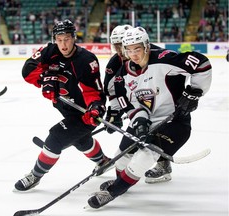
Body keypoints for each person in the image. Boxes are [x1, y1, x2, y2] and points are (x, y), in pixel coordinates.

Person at [87, 26, 212, 208]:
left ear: (146, 45)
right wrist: (140, 122)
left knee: (145, 155)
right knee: (120, 157)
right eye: (128, 49)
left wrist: (194, 92)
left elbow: (201, 64)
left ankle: (114, 191)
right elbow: (130, 103)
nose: (132, 54)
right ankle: (122, 181)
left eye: (136, 49)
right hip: (149, 118)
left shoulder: (163, 59)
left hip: (175, 122)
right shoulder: (122, 74)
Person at [14, 19, 110, 192]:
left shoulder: (86, 60)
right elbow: (28, 70)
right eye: (59, 39)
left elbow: (93, 92)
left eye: (67, 38)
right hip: (65, 108)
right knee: (81, 140)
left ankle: (35, 175)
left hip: (85, 113)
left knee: (55, 138)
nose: (63, 44)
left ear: (74, 38)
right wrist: (45, 79)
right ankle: (103, 161)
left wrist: (95, 108)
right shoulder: (49, 51)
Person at [104, 26, 168, 184]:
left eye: (121, 45)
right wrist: (114, 112)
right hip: (136, 104)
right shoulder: (115, 63)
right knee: (137, 134)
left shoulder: (154, 54)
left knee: (158, 134)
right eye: (116, 46)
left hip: (160, 102)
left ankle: (163, 163)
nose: (119, 50)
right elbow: (112, 90)